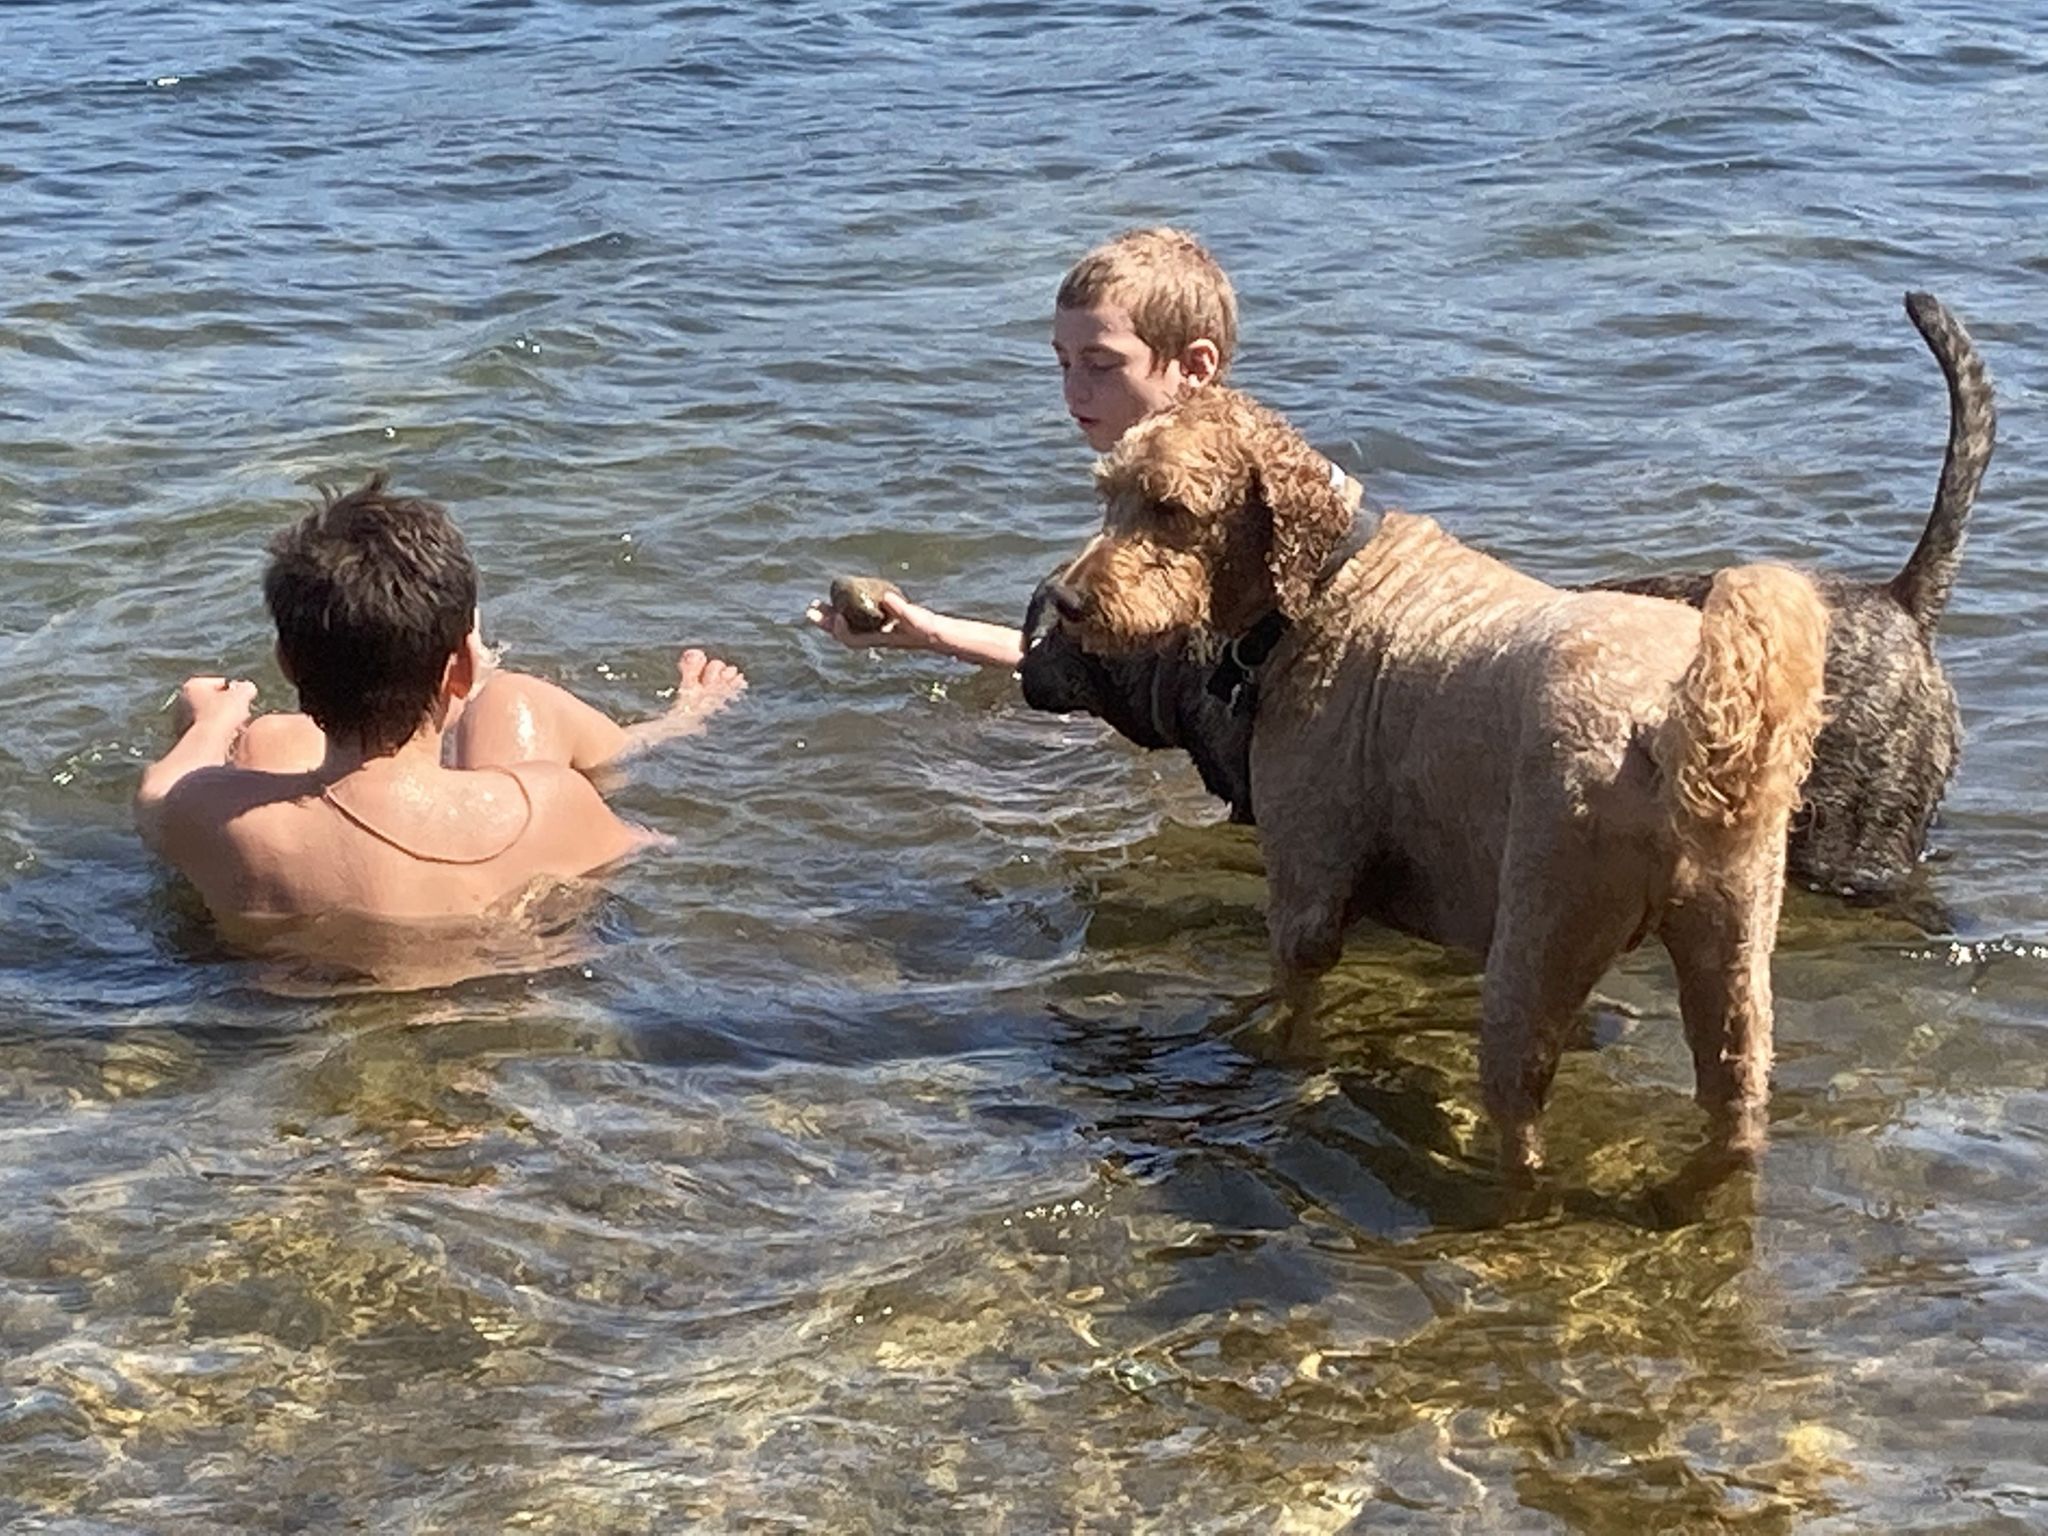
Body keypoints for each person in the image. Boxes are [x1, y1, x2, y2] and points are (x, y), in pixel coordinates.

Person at [135, 474, 745, 929]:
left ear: (287, 663)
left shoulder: (219, 820)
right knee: (514, 701)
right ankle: (672, 726)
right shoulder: (556, 806)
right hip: (496, 980)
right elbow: (658, 847)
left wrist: (213, 721)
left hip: (305, 990)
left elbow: (156, 795)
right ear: (461, 667)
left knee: (271, 736)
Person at [805, 226, 1240, 668]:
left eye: (1100, 364)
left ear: (1195, 366)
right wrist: (928, 633)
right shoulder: (1135, 489)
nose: (1073, 390)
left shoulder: (1205, 505)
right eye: (1064, 363)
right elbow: (1076, 663)